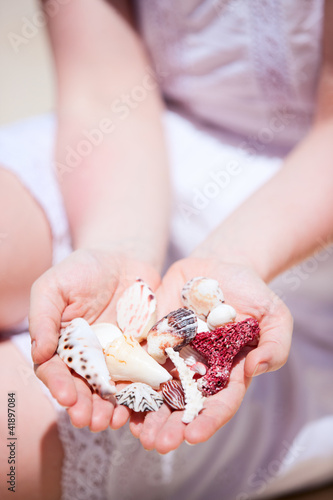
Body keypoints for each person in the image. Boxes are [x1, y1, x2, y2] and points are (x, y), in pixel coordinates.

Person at [0, 0, 332, 499]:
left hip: (304, 227)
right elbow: (104, 90)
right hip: (133, 155)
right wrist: (116, 246)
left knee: (8, 438)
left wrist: (232, 262)